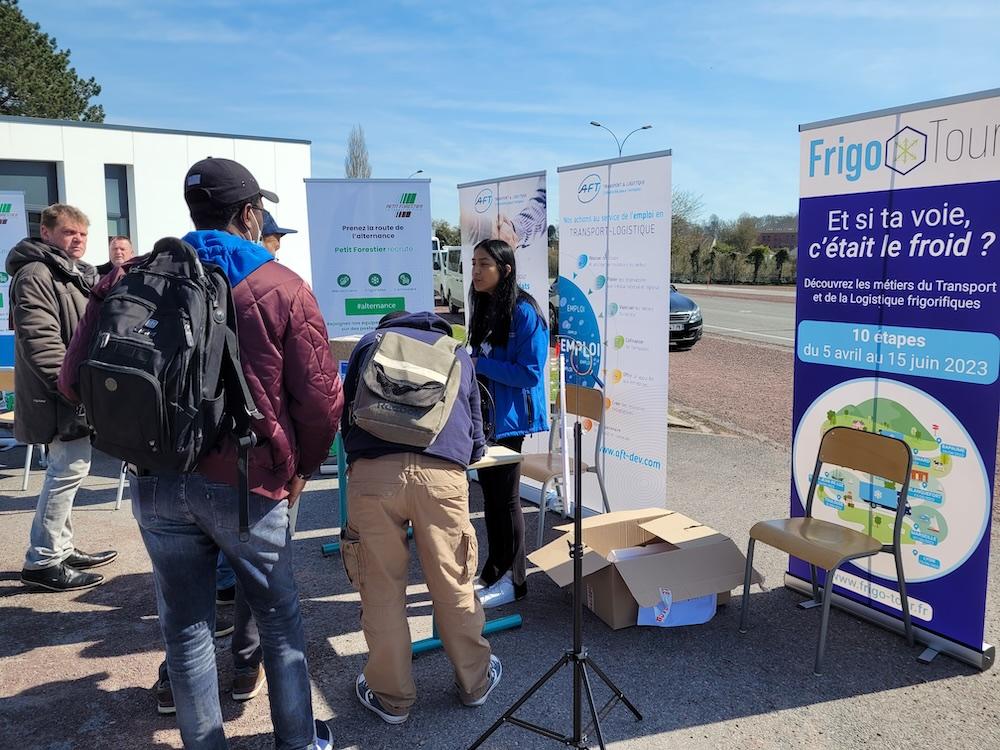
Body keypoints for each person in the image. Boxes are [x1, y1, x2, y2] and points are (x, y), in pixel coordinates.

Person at [60, 157, 342, 749]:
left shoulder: (129, 279)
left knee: (184, 630)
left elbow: (72, 379)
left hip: (156, 478)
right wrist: (301, 470)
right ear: (248, 214)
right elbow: (320, 401)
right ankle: (297, 742)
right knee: (280, 621)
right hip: (249, 484)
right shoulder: (279, 287)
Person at [341, 310, 501, 725]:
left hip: (374, 477)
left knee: (381, 590)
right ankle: (474, 684)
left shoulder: (368, 344)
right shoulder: (458, 354)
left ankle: (391, 698)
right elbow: (477, 442)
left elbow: (347, 417)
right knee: (453, 583)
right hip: (442, 480)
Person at [9, 203, 117, 592]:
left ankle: (61, 547)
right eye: (69, 232)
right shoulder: (37, 275)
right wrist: (73, 388)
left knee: (68, 470)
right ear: (47, 233)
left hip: (70, 394)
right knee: (66, 471)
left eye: (83, 234)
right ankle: (42, 561)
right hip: (57, 397)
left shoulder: (71, 274)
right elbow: (41, 342)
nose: (78, 240)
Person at [468, 239, 549, 607]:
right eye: (473, 264)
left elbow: (530, 373)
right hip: (486, 419)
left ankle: (515, 581)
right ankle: (493, 568)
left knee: (507, 499)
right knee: (490, 497)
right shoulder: (485, 306)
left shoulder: (524, 312)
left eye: (484, 264)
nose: (476, 271)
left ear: (506, 269)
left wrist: (478, 365)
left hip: (511, 421)